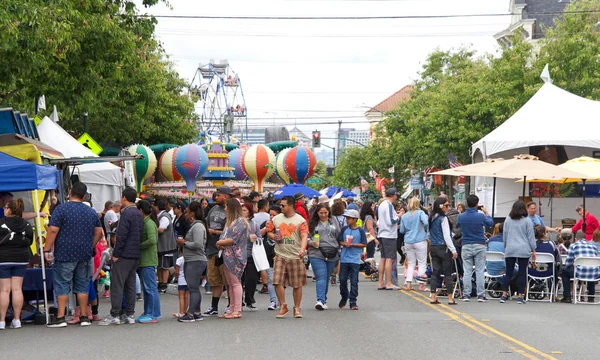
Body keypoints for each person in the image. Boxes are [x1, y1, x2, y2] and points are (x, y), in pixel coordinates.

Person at [44, 182, 103, 328]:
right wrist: (91, 245)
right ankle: (84, 316)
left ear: (70, 192)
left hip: (65, 253)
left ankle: (60, 317)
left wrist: (47, 249)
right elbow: (98, 232)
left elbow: (53, 230)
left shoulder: (61, 209)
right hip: (84, 253)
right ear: (84, 196)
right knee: (82, 285)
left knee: (62, 284)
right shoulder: (91, 212)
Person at [99, 187, 143, 326]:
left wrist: (116, 254)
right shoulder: (138, 213)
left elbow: (121, 236)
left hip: (123, 254)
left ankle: (115, 314)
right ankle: (129, 314)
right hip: (135, 253)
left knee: (117, 285)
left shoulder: (126, 214)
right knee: (130, 284)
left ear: (124, 198)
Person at [266, 195, 309, 318]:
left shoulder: (300, 220)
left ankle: (297, 308)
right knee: (277, 281)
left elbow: (304, 235)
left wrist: (302, 250)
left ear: (291, 205)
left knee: (297, 284)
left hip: (295, 256)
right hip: (280, 254)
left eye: (283, 205)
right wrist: (272, 236)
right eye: (280, 205)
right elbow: (269, 231)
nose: (281, 207)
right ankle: (283, 306)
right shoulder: (276, 219)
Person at [0, 199, 33, 330]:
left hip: (3, 258)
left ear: (9, 209)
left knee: (4, 290)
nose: (3, 209)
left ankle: (2, 321)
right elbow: (29, 241)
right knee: (17, 289)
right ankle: (17, 319)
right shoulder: (26, 224)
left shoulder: (1, 223)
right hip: (21, 258)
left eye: (5, 207)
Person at [456, 194, 493, 302]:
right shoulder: (481, 216)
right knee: (479, 271)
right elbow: (490, 223)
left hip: (466, 244)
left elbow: (457, 225)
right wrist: (486, 212)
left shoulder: (461, 216)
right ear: (477, 204)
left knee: (467, 270)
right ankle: (480, 295)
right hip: (479, 244)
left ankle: (466, 294)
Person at [216, 199, 249, 319]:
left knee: (235, 283)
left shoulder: (241, 222)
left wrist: (220, 242)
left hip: (235, 255)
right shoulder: (229, 222)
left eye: (226, 207)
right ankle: (232, 308)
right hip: (227, 254)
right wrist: (220, 243)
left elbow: (233, 239)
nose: (225, 209)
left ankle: (237, 310)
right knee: (230, 283)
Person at [499, 200, 536, 304]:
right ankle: (520, 296)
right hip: (524, 248)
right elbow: (530, 236)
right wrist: (533, 249)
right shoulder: (527, 220)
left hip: (510, 248)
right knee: (522, 272)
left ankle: (504, 294)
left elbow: (504, 235)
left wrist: (506, 247)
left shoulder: (508, 219)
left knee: (508, 272)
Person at [176, 201, 208, 322]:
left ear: (192, 213)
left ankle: (190, 313)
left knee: (193, 288)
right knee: (194, 287)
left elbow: (198, 244)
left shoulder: (198, 226)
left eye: (187, 212)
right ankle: (197, 312)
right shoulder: (196, 226)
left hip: (195, 260)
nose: (186, 215)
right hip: (193, 259)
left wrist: (184, 242)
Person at [308, 204, 340, 310]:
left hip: (332, 252)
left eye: (325, 213)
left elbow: (339, 235)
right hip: (316, 252)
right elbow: (305, 237)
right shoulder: (312, 223)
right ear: (317, 213)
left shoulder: (334, 221)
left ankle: (323, 300)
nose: (323, 215)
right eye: (321, 213)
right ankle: (320, 300)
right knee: (321, 276)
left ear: (329, 212)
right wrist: (311, 242)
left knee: (326, 277)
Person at [204, 186, 230, 316]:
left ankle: (231, 305)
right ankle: (214, 306)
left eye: (219, 195)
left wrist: (214, 232)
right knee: (215, 281)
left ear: (225, 196)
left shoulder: (230, 211)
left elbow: (230, 232)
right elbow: (206, 223)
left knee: (228, 280)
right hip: (212, 249)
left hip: (225, 250)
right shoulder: (213, 209)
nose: (216, 197)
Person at [428, 197, 458, 305]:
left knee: (435, 272)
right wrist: (453, 250)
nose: (447, 208)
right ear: (441, 206)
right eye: (446, 206)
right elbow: (446, 236)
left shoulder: (431, 218)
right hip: (443, 247)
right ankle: (450, 298)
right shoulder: (443, 219)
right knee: (447, 273)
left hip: (433, 246)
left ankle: (433, 296)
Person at [136, 200, 160, 323]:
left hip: (148, 259)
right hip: (146, 259)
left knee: (150, 288)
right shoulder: (147, 222)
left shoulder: (149, 223)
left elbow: (152, 240)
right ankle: (149, 312)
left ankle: (152, 314)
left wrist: (138, 245)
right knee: (148, 288)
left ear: (141, 210)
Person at [337, 209, 367, 310]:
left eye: (349, 218)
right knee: (342, 280)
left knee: (354, 281)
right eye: (346, 218)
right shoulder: (344, 229)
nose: (347, 220)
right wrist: (344, 243)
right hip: (344, 258)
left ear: (355, 219)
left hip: (355, 259)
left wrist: (353, 244)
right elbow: (340, 240)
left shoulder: (360, 230)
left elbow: (364, 243)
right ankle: (344, 296)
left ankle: (353, 301)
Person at [560, 230, 600, 303]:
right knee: (591, 269)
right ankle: (591, 297)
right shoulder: (593, 246)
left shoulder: (573, 246)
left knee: (565, 272)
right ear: (586, 238)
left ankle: (567, 296)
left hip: (579, 273)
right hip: (594, 273)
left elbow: (568, 263)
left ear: (576, 239)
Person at [400, 197, 429, 291]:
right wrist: (424, 230)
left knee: (411, 263)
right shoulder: (421, 213)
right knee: (421, 262)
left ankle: (409, 284)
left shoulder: (404, 216)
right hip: (420, 239)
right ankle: (421, 284)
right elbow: (425, 222)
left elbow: (401, 230)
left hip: (408, 240)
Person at [377, 188, 401, 290]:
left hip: (382, 233)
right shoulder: (389, 205)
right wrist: (399, 216)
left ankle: (380, 282)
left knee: (383, 258)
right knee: (389, 259)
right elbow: (391, 220)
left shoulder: (381, 204)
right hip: (389, 235)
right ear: (394, 195)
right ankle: (389, 282)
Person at [241, 202, 262, 311]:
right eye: (241, 210)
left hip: (252, 254)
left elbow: (260, 238)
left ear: (250, 212)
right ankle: (237, 301)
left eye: (244, 210)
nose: (242, 212)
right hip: (238, 255)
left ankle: (250, 299)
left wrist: (256, 239)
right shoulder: (236, 224)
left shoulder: (254, 225)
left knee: (252, 278)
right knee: (238, 279)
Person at [155, 198, 176, 293]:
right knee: (160, 266)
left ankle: (164, 284)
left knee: (164, 266)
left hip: (166, 246)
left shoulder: (164, 216)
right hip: (161, 246)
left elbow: (161, 229)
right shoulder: (159, 216)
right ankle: (160, 282)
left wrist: (151, 229)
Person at [173, 249, 188, 318]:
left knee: (181, 297)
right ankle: (185, 311)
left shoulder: (179, 259)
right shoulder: (189, 259)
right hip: (188, 279)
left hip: (181, 279)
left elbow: (177, 271)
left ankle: (181, 312)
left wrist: (176, 277)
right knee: (186, 296)